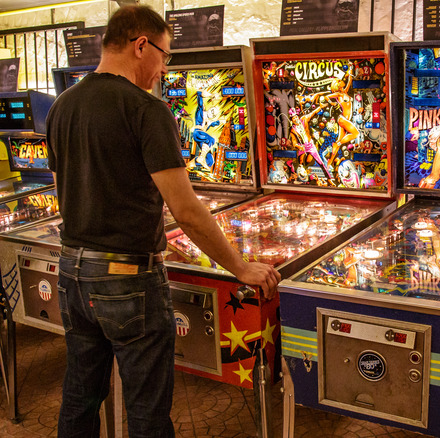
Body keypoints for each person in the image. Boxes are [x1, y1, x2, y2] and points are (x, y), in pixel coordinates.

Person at [45, 6, 280, 437]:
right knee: (147, 409)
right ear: (140, 45)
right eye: (165, 55)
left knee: (80, 396)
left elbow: (69, 191)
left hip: (72, 274)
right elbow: (186, 209)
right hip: (128, 280)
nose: (163, 69)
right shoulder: (145, 110)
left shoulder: (63, 105)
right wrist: (242, 269)